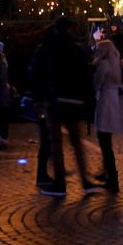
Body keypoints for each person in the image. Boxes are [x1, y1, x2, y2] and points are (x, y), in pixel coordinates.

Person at [30, 16, 100, 196]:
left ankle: (60, 183)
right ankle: (85, 180)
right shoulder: (77, 48)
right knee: (77, 141)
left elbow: (35, 73)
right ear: (69, 29)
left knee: (56, 142)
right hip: (75, 98)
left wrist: (37, 98)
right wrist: (88, 99)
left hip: (52, 98)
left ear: (54, 28)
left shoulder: (45, 48)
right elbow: (86, 75)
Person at [92, 40, 123, 192]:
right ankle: (108, 173)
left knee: (104, 143)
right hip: (113, 101)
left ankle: (112, 177)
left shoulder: (103, 64)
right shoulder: (115, 63)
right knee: (107, 141)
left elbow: (96, 84)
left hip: (104, 101)